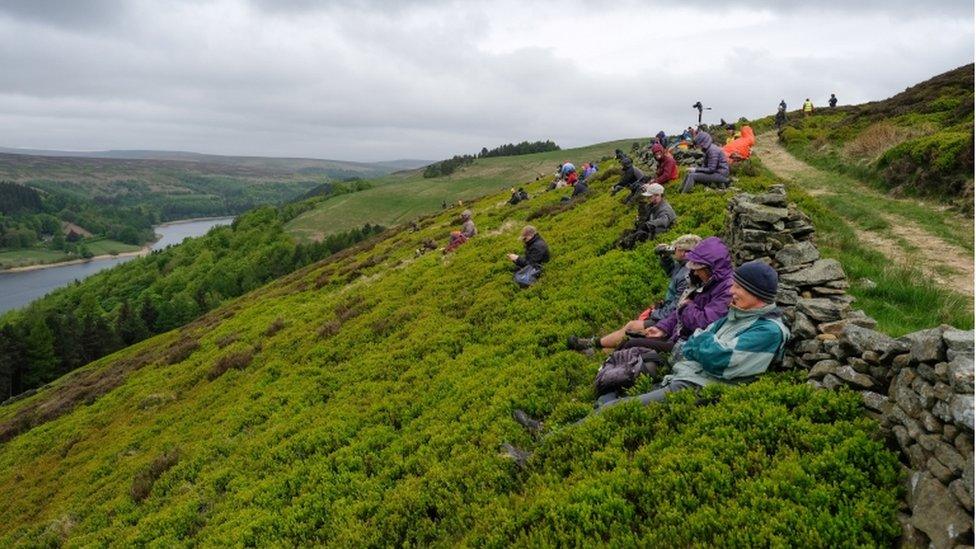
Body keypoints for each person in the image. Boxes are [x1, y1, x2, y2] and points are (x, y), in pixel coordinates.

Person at [595, 261, 789, 407]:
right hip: (688, 376)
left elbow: (721, 358)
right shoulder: (738, 315)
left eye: (738, 287)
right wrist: (703, 341)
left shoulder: (769, 330)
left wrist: (701, 340)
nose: (731, 290)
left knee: (612, 409)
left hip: (700, 388)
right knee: (616, 396)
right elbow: (694, 342)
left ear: (756, 293)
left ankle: (568, 434)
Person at [568, 234, 701, 352]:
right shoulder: (683, 266)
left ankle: (592, 344)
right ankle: (597, 349)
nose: (673, 250)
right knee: (634, 328)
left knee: (632, 326)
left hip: (669, 321)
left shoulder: (687, 276)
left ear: (685, 253)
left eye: (676, 249)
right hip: (667, 313)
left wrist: (655, 314)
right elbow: (672, 272)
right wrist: (664, 257)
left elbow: (676, 308)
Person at [618, 184, 676, 250]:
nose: (648, 198)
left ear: (658, 195)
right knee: (626, 233)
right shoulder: (652, 205)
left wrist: (647, 225)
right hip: (650, 232)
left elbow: (663, 221)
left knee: (635, 237)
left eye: (650, 196)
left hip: (656, 236)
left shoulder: (665, 209)